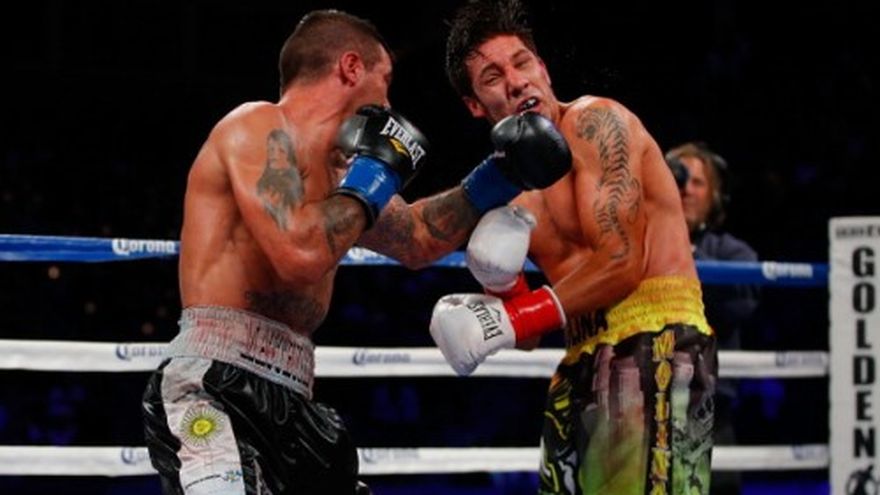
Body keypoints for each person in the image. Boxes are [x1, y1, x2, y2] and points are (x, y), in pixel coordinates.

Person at [140, 8, 572, 495]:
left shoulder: (343, 175)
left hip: (295, 397)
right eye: (384, 82)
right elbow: (298, 254)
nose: (387, 104)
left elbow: (418, 238)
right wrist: (375, 177)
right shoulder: (258, 127)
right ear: (351, 67)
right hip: (216, 386)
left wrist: (500, 174)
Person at [429, 1, 717, 494]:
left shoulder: (595, 121)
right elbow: (528, 336)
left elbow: (621, 263)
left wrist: (515, 317)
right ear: (474, 104)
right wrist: (502, 283)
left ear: (542, 69)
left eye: (522, 63)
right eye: (493, 77)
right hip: (579, 352)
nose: (516, 82)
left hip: (655, 337)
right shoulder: (507, 193)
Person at [667, 142, 760, 495]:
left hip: (708, 409)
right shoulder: (635, 248)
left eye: (698, 182)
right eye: (678, 179)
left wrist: (682, 251)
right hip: (641, 406)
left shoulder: (730, 252)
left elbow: (742, 303)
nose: (686, 189)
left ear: (715, 197)